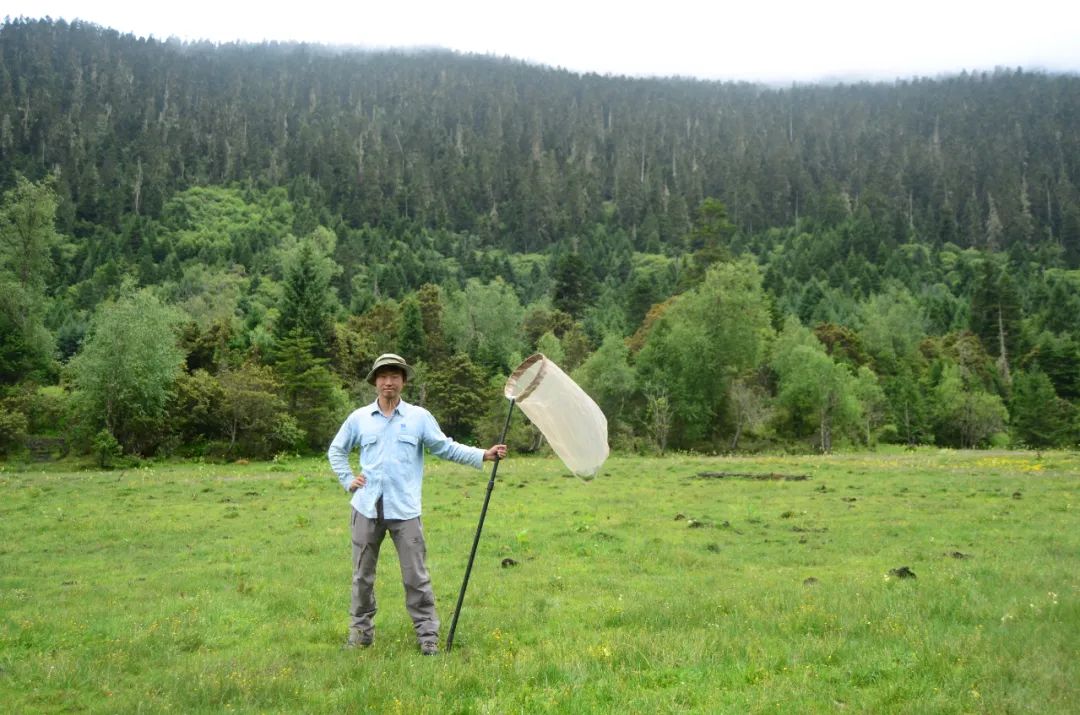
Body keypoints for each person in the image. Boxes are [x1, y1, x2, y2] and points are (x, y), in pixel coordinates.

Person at [327, 353, 507, 656]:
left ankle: (428, 638)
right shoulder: (359, 418)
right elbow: (337, 450)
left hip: (405, 511)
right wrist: (348, 479)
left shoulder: (419, 418)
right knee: (362, 577)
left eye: (394, 376)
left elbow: (444, 447)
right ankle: (360, 635)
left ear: (403, 381)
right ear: (375, 382)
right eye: (383, 376)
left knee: (416, 576)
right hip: (366, 508)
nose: (388, 382)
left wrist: (483, 455)